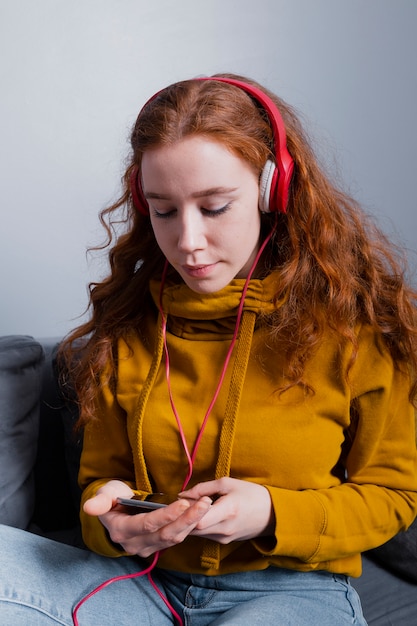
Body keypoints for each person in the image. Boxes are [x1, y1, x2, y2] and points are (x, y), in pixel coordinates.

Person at [1, 73, 417, 626]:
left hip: (289, 592)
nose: (188, 241)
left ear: (275, 191)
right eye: (164, 210)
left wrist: (272, 513)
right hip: (143, 587)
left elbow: (394, 496)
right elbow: (99, 484)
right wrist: (112, 524)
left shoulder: (357, 331)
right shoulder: (127, 327)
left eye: (215, 207)